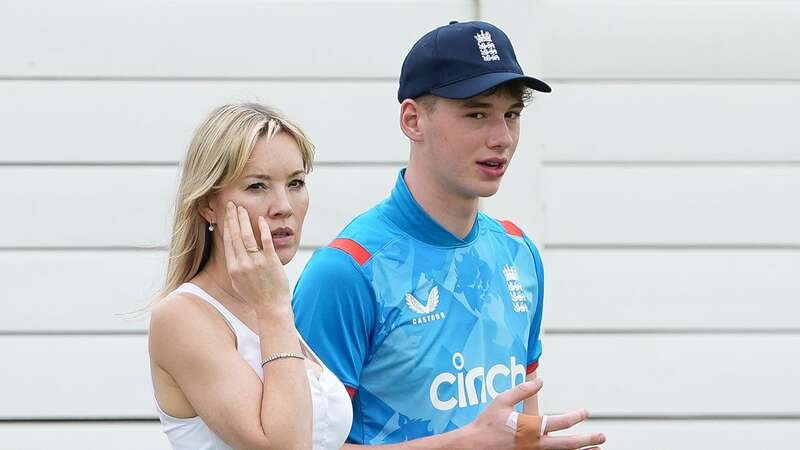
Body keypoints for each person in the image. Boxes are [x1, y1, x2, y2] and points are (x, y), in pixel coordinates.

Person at [293, 20, 607, 449]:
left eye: (511, 115)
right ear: (412, 119)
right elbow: (297, 445)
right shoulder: (346, 272)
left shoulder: (518, 253)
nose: (502, 138)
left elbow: (517, 429)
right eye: (477, 113)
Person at [148, 103, 352, 450]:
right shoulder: (182, 316)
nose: (284, 206)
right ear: (208, 204)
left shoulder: (266, 301)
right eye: (257, 186)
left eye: (296, 183)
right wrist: (273, 308)